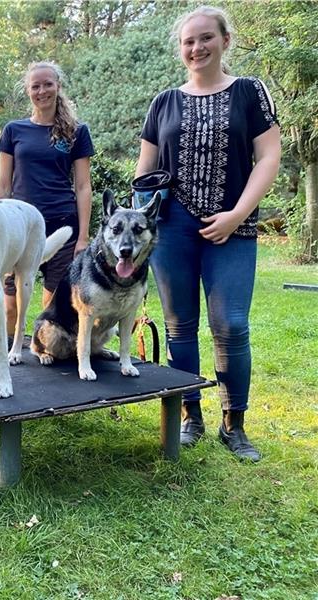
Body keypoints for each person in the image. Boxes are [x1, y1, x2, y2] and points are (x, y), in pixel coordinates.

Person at [136, 6, 281, 461]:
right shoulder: (163, 102)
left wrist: (237, 214)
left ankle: (233, 424)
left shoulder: (249, 92)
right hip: (172, 227)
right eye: (188, 42)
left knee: (232, 325)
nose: (196, 48)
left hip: (233, 225)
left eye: (205, 38)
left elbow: (269, 158)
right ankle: (189, 416)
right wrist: (137, 231)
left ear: (225, 40)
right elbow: (145, 175)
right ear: (181, 49)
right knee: (180, 326)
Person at [0, 60, 94, 332]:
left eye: (48, 84)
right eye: (35, 86)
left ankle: (43, 354)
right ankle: (8, 353)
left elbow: (84, 186)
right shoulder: (13, 131)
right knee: (10, 305)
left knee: (51, 307)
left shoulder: (77, 131)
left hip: (62, 224)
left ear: (58, 86)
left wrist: (83, 237)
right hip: (18, 227)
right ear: (27, 90)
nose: (42, 91)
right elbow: (3, 185)